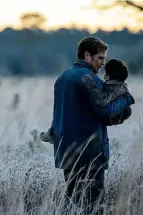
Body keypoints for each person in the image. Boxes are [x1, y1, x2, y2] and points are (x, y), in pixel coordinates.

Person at [31, 37, 135, 213]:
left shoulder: (62, 78)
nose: (103, 63)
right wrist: (126, 100)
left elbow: (63, 114)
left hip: (66, 152)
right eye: (100, 58)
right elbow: (104, 111)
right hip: (90, 153)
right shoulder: (89, 78)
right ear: (87, 55)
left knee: (73, 203)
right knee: (94, 206)